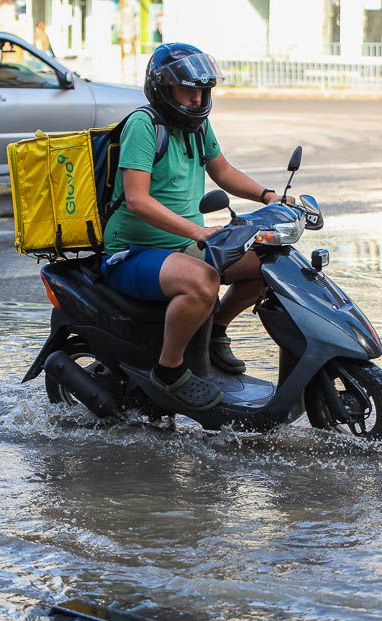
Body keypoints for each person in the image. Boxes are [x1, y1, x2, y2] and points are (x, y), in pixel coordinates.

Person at [101, 43, 290, 411]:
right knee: (203, 280)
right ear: (163, 88)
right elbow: (137, 200)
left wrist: (268, 197)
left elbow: (223, 172)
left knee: (270, 263)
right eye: (188, 90)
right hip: (134, 253)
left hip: (182, 247)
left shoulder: (197, 125)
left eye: (202, 90)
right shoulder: (144, 125)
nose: (197, 98)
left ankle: (216, 331)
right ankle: (169, 370)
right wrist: (196, 231)